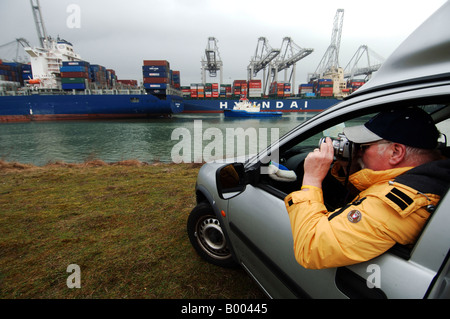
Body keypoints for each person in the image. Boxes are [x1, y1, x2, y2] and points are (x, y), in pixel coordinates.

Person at [285, 107, 450, 269]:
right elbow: (373, 193)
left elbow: (311, 249)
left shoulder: (393, 207)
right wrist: (351, 170)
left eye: (363, 147)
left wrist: (311, 179)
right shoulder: (432, 176)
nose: (357, 152)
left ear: (396, 152)